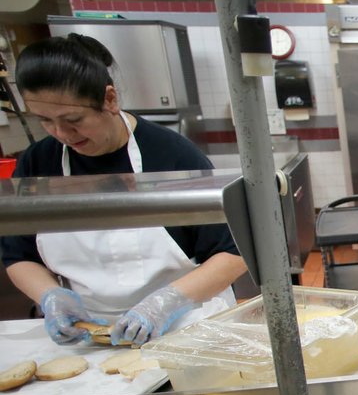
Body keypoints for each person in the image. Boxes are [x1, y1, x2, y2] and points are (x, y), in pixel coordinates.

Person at [0, 34, 246, 346]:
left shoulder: (172, 156)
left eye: (73, 119)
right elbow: (18, 254)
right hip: (89, 335)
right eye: (45, 121)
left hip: (185, 326)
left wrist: (163, 304)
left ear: (110, 99)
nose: (61, 133)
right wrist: (50, 296)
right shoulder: (39, 163)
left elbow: (234, 252)